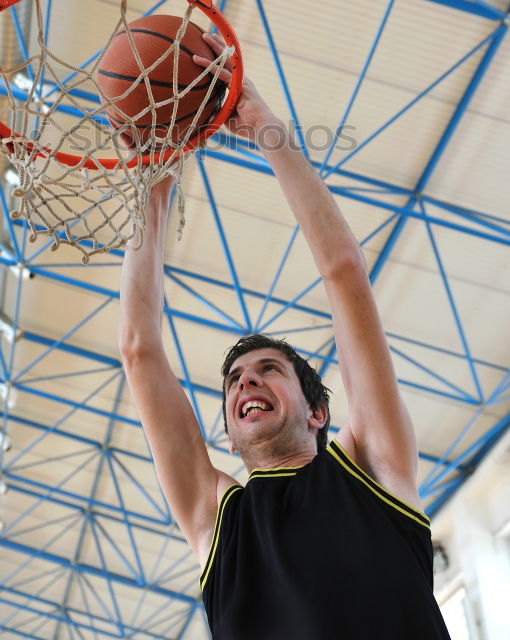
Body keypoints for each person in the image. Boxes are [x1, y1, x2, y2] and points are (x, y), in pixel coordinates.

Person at [119, 33, 451, 640]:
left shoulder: (374, 466)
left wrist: (267, 129)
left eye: (269, 370)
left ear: (319, 411)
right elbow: (139, 351)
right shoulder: (216, 518)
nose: (246, 379)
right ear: (228, 427)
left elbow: (344, 270)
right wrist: (154, 189)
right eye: (236, 380)